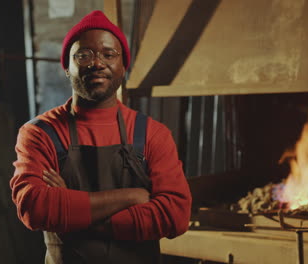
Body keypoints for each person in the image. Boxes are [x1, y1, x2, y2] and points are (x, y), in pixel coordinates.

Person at [10, 10, 191, 264]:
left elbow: (175, 215)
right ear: (66, 67)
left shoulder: (152, 134)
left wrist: (71, 213)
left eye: (109, 54)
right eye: (83, 55)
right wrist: (131, 197)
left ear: (123, 66)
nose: (97, 63)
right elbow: (34, 207)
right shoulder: (40, 133)